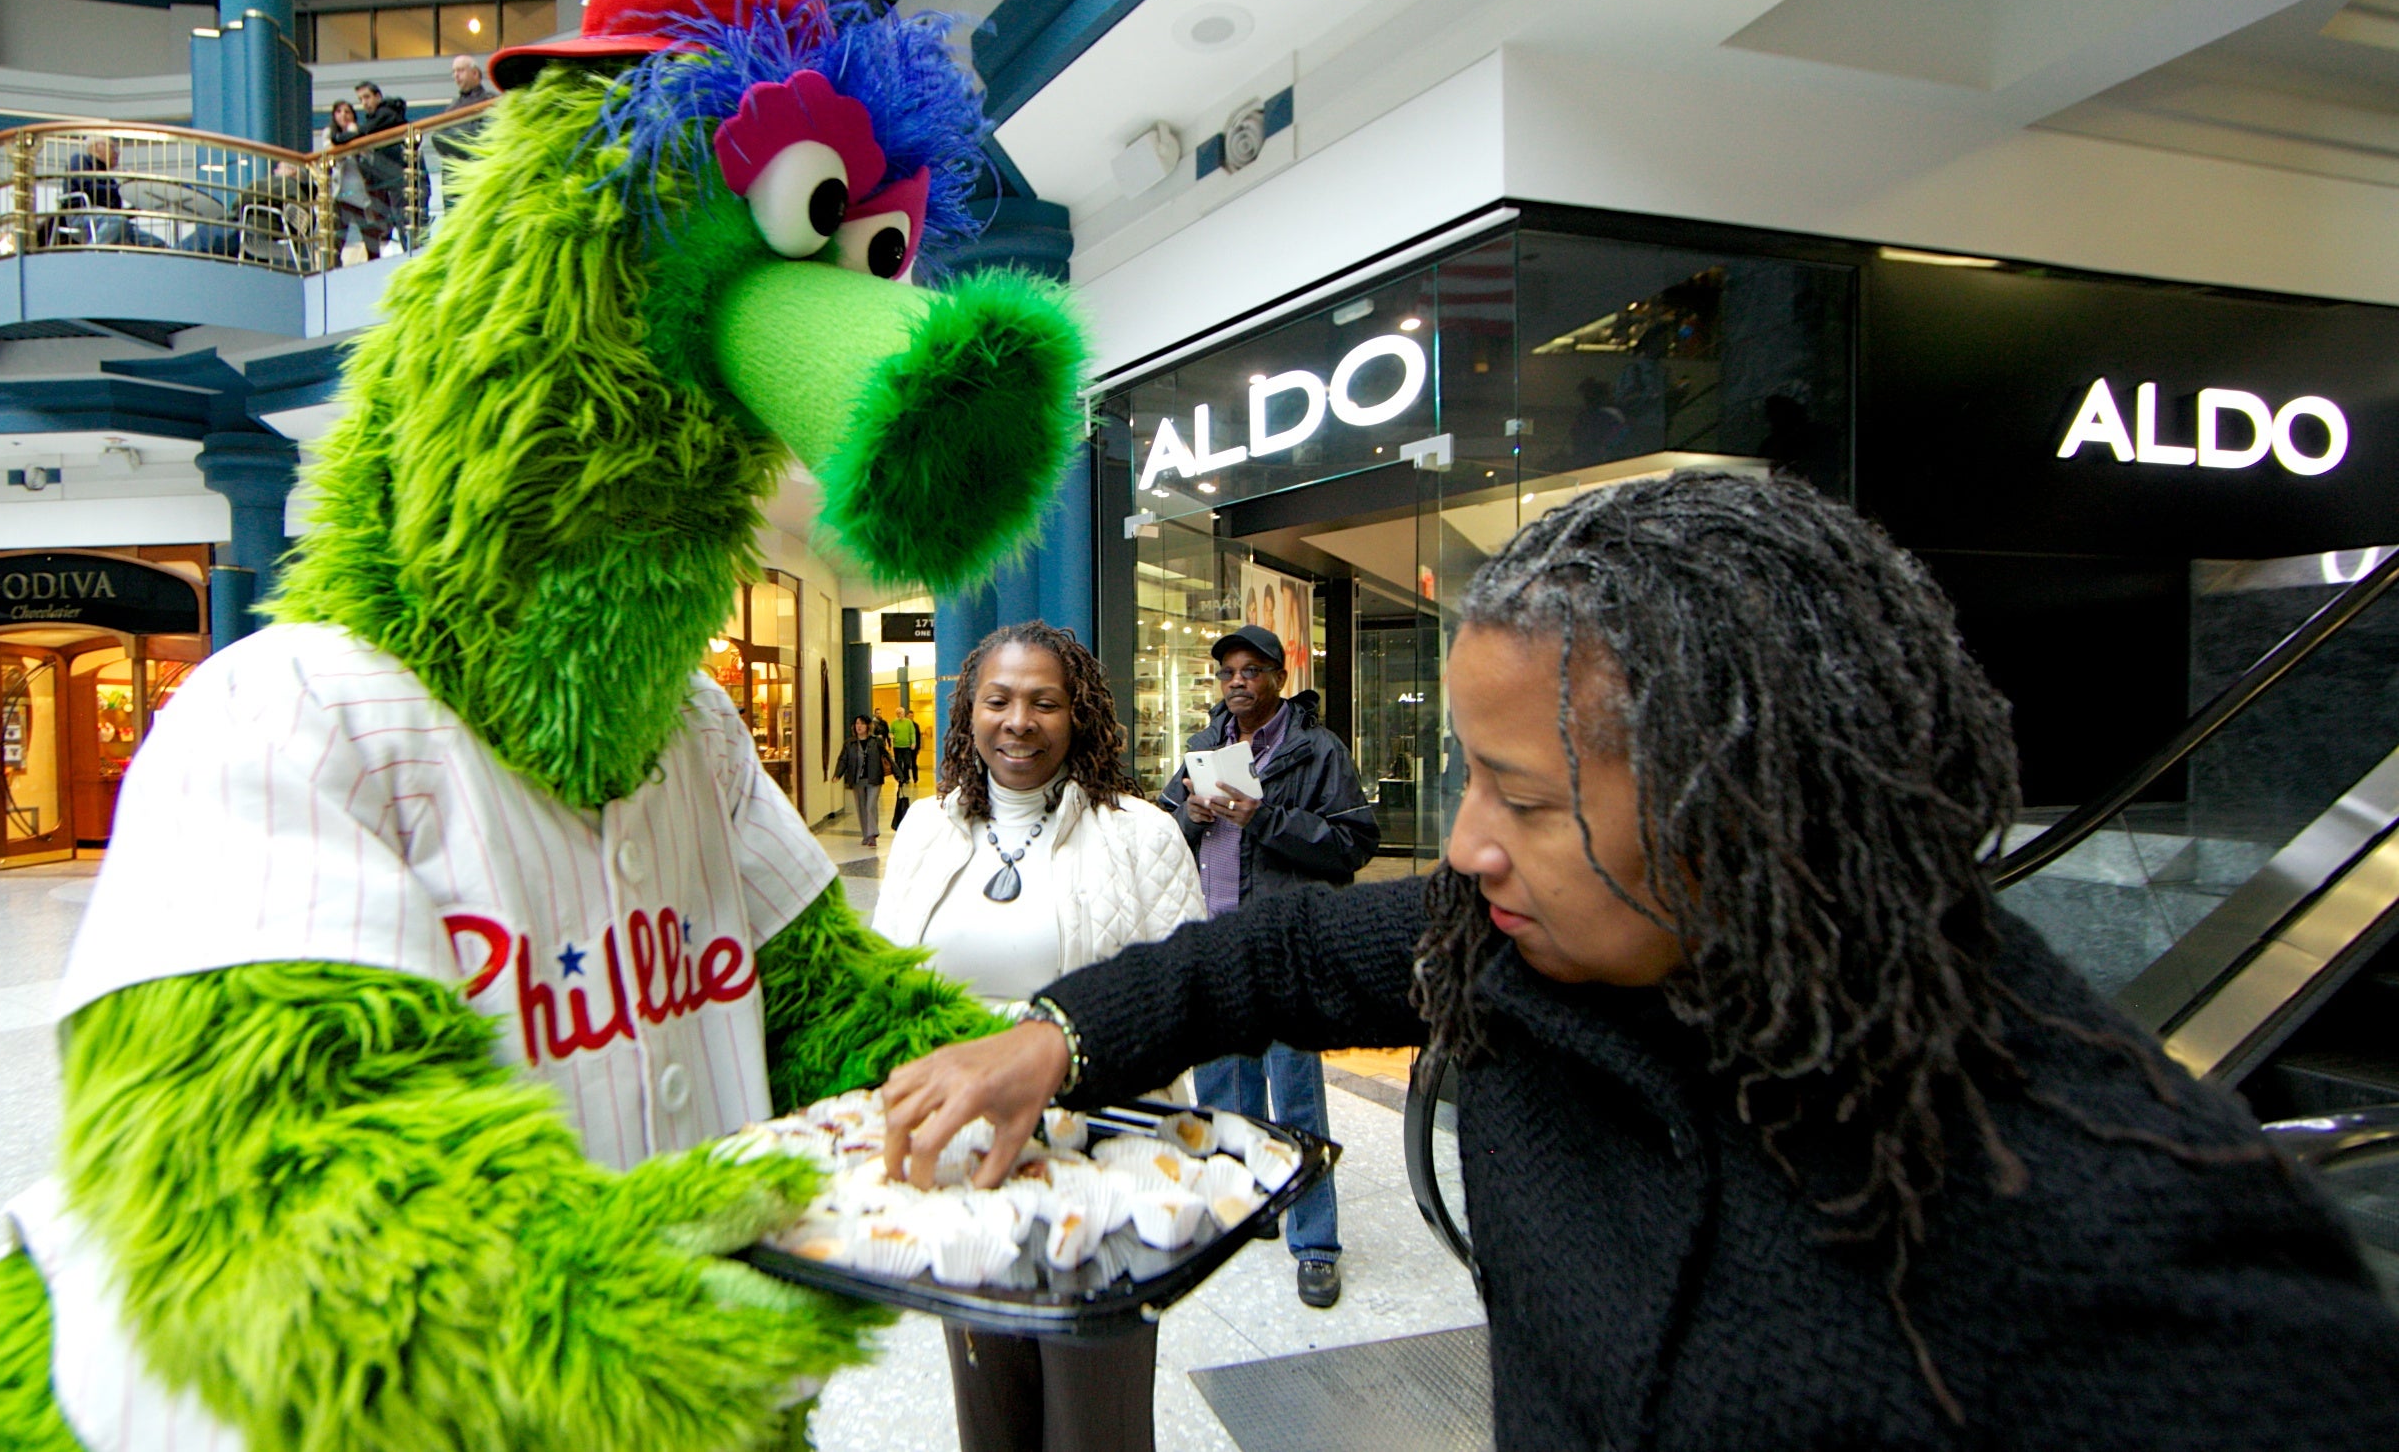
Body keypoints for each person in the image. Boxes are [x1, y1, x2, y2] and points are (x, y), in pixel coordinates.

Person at [880, 472, 2399, 1452]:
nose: (1464, 845)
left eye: (1526, 798)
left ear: (1744, 802)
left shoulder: (2150, 1251)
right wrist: (1052, 1041)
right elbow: (1256, 955)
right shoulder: (1517, 949)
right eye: (1468, 777)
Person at [872, 620, 1204, 1452]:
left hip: (1102, 1159)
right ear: (970, 711)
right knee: (990, 1407)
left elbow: (1187, 996)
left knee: (1099, 1420)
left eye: (1044, 702)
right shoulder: (924, 828)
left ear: (1078, 714)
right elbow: (889, 984)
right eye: (999, 699)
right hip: (967, 1166)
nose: (1019, 720)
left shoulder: (1139, 833)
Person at [1156, 621, 1377, 1307]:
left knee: (1296, 1090)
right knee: (1224, 1084)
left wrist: (1266, 817)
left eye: (1251, 670)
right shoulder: (1205, 744)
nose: (1237, 683)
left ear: (1279, 676)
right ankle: (1250, 1203)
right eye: (1227, 673)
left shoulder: (1317, 749)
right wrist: (1189, 812)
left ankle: (1315, 1243)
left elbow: (1353, 841)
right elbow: (1164, 828)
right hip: (1217, 938)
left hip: (1285, 941)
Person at [326, 100, 391, 262]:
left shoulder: (362, 132)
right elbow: (331, 153)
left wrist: (354, 134)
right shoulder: (329, 133)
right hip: (341, 196)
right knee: (336, 242)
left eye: (347, 111)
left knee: (371, 241)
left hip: (363, 198)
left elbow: (368, 156)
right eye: (339, 112)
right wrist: (349, 139)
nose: (343, 115)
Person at [353, 80, 414, 251]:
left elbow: (362, 133)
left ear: (377, 97)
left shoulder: (385, 114)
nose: (364, 103)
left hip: (405, 179)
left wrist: (341, 137)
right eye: (360, 99)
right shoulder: (382, 117)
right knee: (402, 223)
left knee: (408, 223)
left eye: (367, 97)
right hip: (397, 181)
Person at [434, 55, 497, 214]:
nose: (456, 75)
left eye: (461, 70)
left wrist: (452, 138)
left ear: (475, 73)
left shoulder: (490, 101)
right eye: (454, 71)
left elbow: (482, 137)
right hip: (453, 181)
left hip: (478, 179)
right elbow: (437, 137)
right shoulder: (452, 107)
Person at [833, 713, 892, 845]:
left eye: (862, 723)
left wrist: (899, 774)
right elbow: (843, 759)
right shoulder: (849, 744)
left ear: (868, 726)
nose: (859, 726)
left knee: (870, 806)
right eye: (857, 724)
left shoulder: (876, 741)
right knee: (861, 807)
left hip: (874, 778)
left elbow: (887, 757)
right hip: (857, 780)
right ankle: (866, 834)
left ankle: (872, 835)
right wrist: (838, 773)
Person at [885, 704, 921, 789]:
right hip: (897, 746)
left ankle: (906, 776)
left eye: (900, 713)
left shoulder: (908, 722)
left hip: (906, 746)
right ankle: (901, 778)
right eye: (897, 713)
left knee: (907, 763)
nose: (899, 715)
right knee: (898, 762)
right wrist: (890, 736)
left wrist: (913, 743)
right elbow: (890, 732)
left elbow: (912, 733)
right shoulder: (894, 723)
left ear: (904, 713)